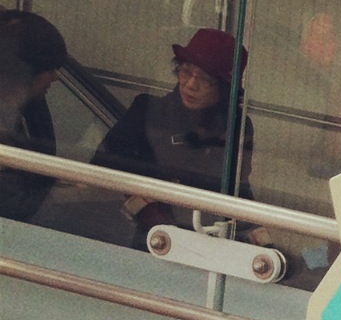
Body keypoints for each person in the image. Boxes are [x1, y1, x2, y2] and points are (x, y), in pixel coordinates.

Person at [91, 27, 253, 246]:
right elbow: (102, 172)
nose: (191, 84)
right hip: (146, 237)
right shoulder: (148, 112)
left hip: (210, 239)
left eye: (205, 79)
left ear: (225, 88)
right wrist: (147, 210)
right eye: (186, 72)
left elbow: (238, 190)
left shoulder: (237, 126)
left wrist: (259, 237)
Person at [0, 10, 67, 223]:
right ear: (23, 73)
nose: (56, 77)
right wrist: (63, 196)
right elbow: (12, 205)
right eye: (50, 68)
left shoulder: (28, 109)